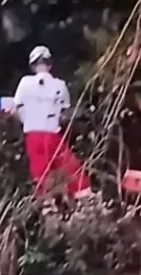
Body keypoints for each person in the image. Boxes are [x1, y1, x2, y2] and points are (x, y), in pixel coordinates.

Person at [11, 46, 92, 203]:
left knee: (40, 176)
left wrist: (26, 120)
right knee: (70, 168)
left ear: (33, 65)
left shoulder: (25, 82)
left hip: (33, 136)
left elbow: (14, 109)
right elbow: (65, 113)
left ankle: (48, 207)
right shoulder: (60, 85)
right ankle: (85, 199)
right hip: (52, 135)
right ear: (50, 64)